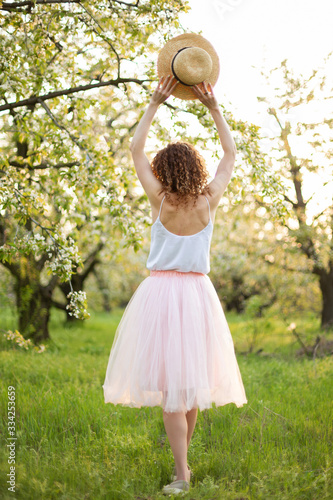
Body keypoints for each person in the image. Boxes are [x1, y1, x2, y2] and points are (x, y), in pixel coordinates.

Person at [102, 75, 247, 496]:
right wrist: (213, 108)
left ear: (164, 170)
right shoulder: (208, 199)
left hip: (162, 294)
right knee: (189, 386)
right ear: (195, 169)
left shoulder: (159, 199)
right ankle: (185, 468)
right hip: (198, 295)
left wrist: (154, 102)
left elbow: (134, 149)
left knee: (172, 389)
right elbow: (231, 154)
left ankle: (182, 474)